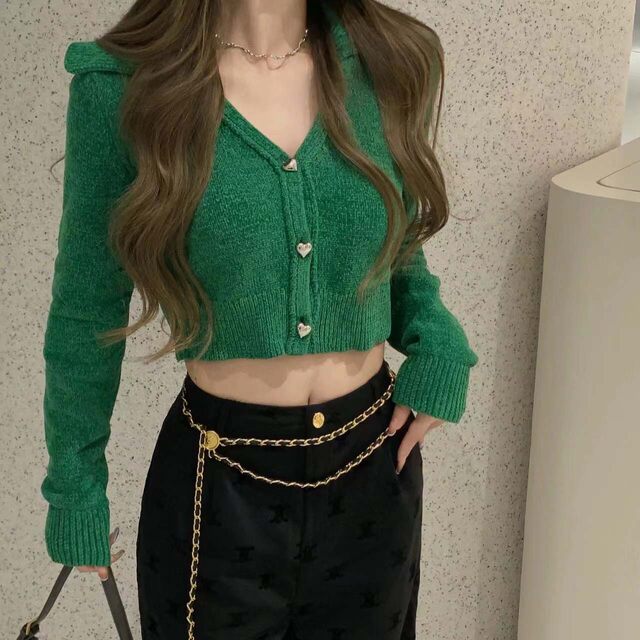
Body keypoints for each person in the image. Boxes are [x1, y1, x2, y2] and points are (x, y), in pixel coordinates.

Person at [41, 1, 479, 638]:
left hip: (373, 470)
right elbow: (86, 307)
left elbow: (396, 246)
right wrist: (75, 487)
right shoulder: (123, 88)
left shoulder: (387, 60)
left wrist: (438, 343)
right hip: (219, 484)